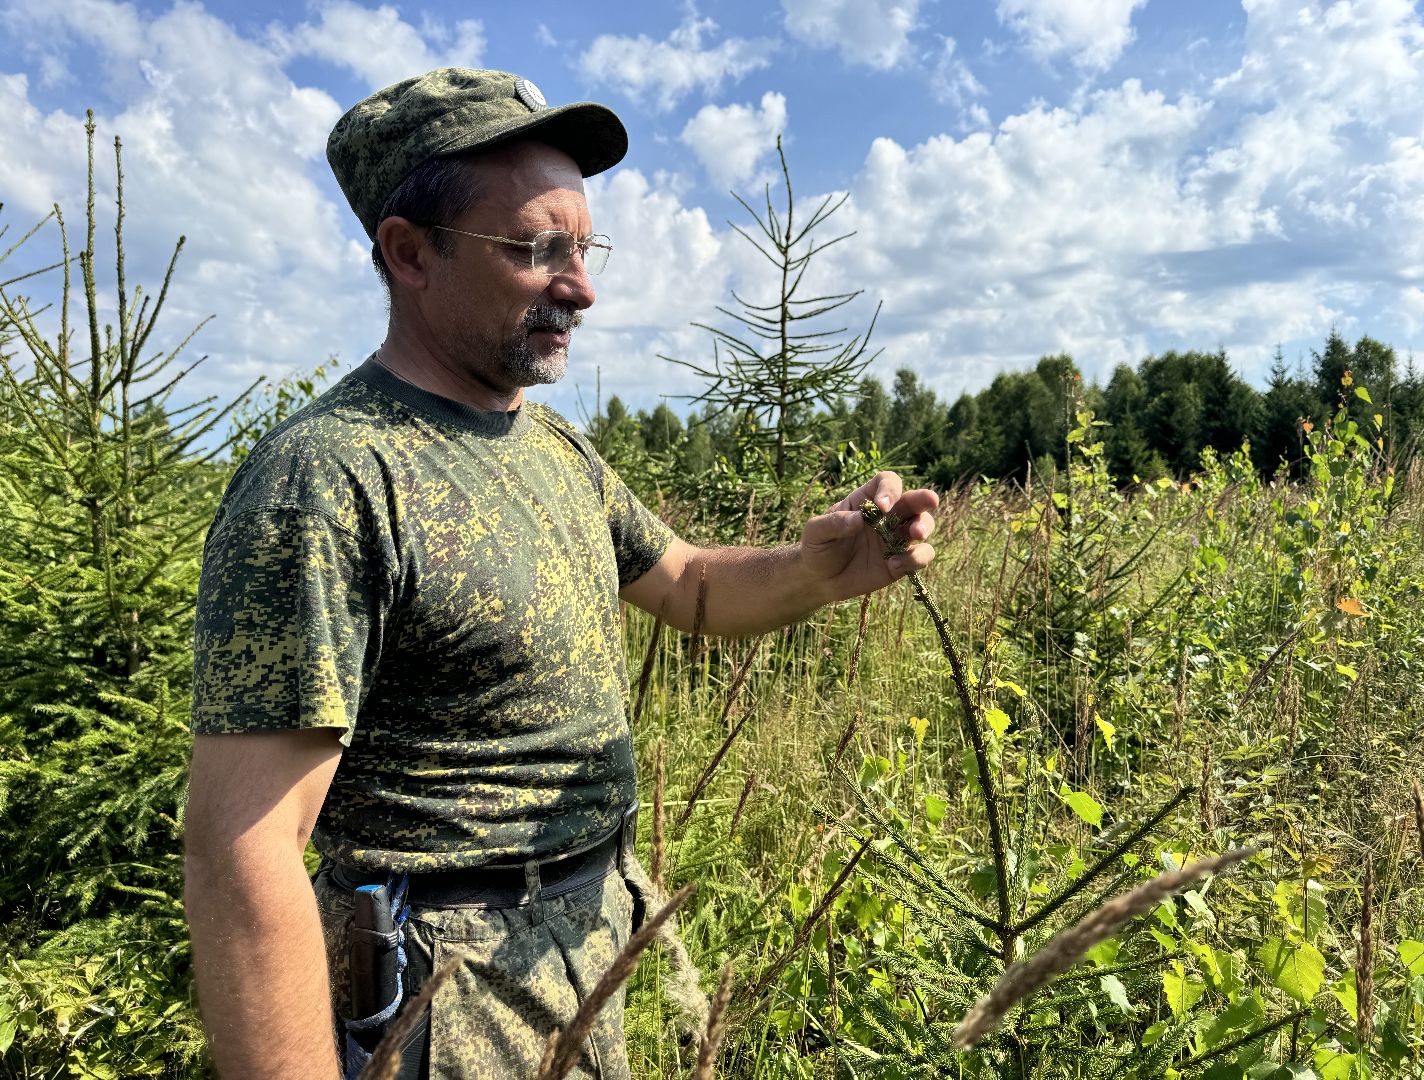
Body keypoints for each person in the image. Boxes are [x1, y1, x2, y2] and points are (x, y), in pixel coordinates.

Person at [183, 68, 938, 1080]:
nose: (581, 287)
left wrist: (815, 570)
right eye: (536, 250)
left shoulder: (553, 450)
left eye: (583, 249)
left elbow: (689, 584)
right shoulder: (329, 477)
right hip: (451, 1001)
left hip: (587, 949)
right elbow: (243, 853)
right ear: (410, 252)